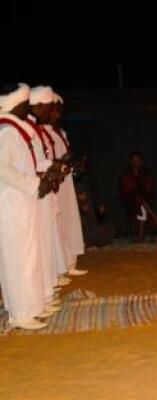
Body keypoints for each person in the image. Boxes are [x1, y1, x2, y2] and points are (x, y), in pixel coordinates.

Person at [0, 83, 51, 330]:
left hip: (22, 202)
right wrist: (33, 184)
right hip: (11, 204)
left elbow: (25, 165)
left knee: (27, 255)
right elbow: (2, 170)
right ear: (18, 105)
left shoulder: (15, 132)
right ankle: (20, 314)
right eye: (24, 104)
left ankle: (28, 309)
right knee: (17, 258)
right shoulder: (7, 133)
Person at [27, 86, 71, 312]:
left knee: (45, 242)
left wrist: (57, 166)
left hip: (41, 188)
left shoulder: (33, 131)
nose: (53, 112)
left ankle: (46, 291)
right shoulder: (13, 131)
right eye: (50, 108)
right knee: (32, 248)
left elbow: (41, 160)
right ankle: (32, 303)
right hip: (27, 194)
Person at [43, 91, 88, 276]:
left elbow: (65, 159)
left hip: (66, 184)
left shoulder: (61, 133)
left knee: (69, 221)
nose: (58, 115)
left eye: (60, 111)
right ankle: (59, 268)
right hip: (53, 185)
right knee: (57, 224)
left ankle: (70, 263)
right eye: (55, 111)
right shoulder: (43, 134)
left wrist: (76, 165)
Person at [118, 151, 157, 241]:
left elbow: (149, 187)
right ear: (131, 161)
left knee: (141, 203)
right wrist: (137, 195)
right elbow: (127, 189)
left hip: (144, 199)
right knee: (139, 199)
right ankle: (154, 217)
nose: (136, 162)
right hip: (129, 199)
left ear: (141, 162)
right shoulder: (126, 174)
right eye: (134, 160)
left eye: (138, 160)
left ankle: (141, 235)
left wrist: (143, 194)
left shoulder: (146, 172)